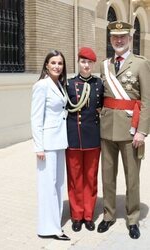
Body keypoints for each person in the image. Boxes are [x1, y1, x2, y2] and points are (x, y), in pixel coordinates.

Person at [97, 21, 150, 239]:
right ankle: (108, 215)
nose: (118, 40)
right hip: (107, 128)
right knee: (108, 176)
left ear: (129, 39)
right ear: (110, 40)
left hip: (130, 131)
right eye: (114, 37)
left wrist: (142, 131)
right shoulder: (104, 65)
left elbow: (147, 100)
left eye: (123, 37)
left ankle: (132, 218)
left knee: (132, 177)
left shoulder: (140, 64)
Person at [31, 50, 70, 241]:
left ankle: (54, 222)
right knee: (47, 186)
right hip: (47, 144)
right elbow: (36, 119)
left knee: (58, 185)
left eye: (60, 63)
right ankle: (50, 228)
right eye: (53, 62)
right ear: (46, 65)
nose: (56, 66)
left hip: (60, 141)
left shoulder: (60, 85)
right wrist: (38, 147)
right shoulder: (41, 85)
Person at [65, 47, 104, 232]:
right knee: (74, 178)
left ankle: (88, 215)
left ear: (93, 64)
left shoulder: (99, 84)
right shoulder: (69, 84)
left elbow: (103, 107)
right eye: (83, 61)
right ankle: (76, 216)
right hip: (73, 137)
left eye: (89, 62)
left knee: (90, 178)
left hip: (93, 138)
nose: (86, 65)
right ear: (78, 62)